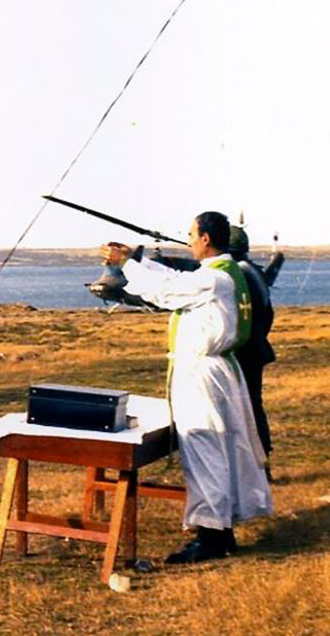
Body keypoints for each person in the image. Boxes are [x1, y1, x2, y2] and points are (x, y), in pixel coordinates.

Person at [102, 211, 272, 563]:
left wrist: (127, 266)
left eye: (193, 234)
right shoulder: (227, 273)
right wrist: (137, 259)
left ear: (206, 238)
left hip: (202, 374)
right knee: (217, 448)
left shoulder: (214, 281)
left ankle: (210, 538)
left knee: (204, 446)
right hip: (216, 370)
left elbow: (167, 291)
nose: (190, 240)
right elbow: (177, 277)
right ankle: (219, 532)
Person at [229, 226, 277, 470]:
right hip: (254, 350)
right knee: (252, 406)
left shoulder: (238, 274)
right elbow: (268, 314)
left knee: (244, 409)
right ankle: (261, 462)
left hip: (243, 354)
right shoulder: (253, 272)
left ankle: (255, 465)